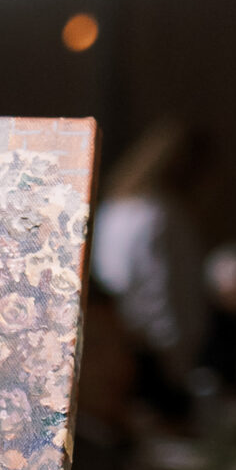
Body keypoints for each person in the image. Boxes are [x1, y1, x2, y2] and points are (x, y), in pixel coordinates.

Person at [90, 118, 212, 406]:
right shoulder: (163, 215)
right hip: (154, 356)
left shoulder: (116, 208)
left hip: (118, 345)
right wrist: (178, 365)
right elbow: (166, 295)